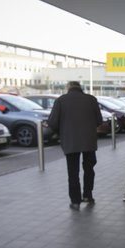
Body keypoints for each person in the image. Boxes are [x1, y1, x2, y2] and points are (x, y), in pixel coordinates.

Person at [48, 81, 102, 210]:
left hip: (70, 141)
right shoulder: (91, 99)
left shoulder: (61, 100)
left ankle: (75, 201)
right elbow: (99, 120)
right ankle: (88, 195)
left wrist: (61, 131)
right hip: (89, 141)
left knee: (73, 172)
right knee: (89, 169)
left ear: (68, 88)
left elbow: (53, 122)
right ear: (80, 88)